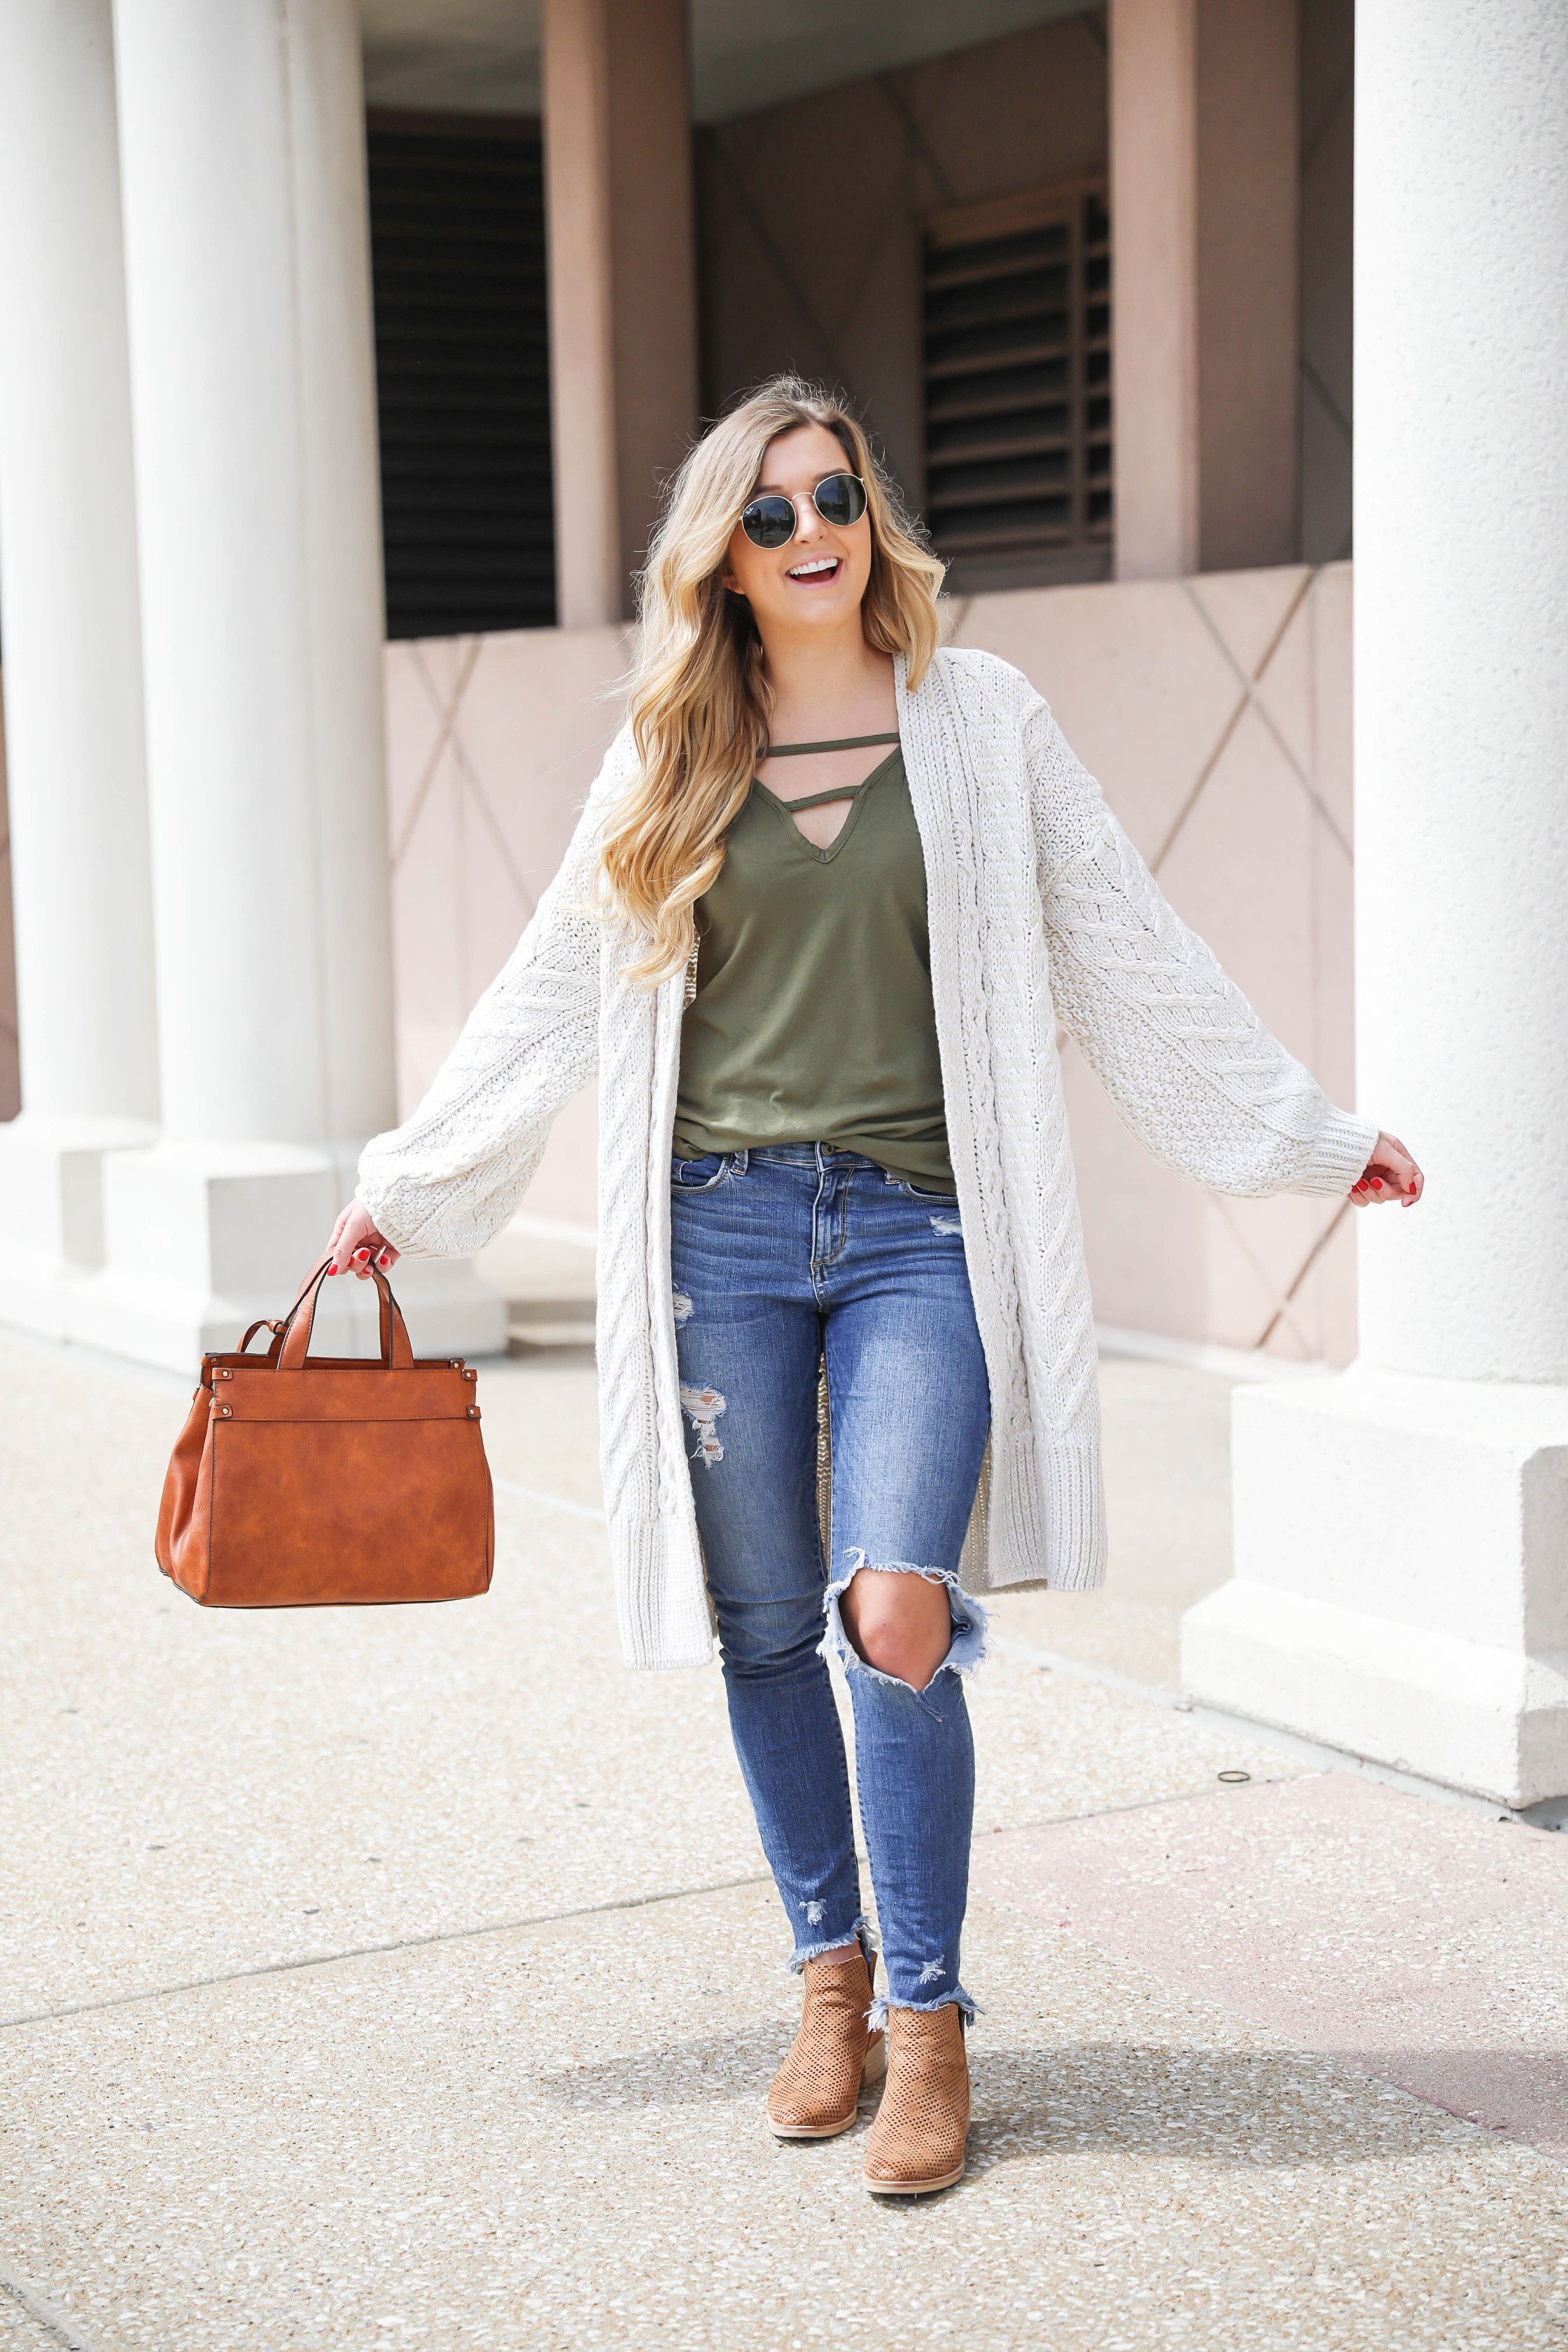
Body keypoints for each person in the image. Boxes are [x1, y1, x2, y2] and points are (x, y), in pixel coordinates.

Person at [326, 376, 1422, 2197]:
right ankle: (823, 1980)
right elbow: (539, 995)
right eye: (769, 513)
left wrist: (1303, 1135)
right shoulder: (669, 758)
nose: (812, 528)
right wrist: (405, 1196)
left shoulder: (982, 727)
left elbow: (1130, 943)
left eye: (835, 493)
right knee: (763, 1631)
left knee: (895, 1610)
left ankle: (930, 2023)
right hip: (722, 1239)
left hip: (922, 1235)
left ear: (871, 513)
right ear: (724, 560)